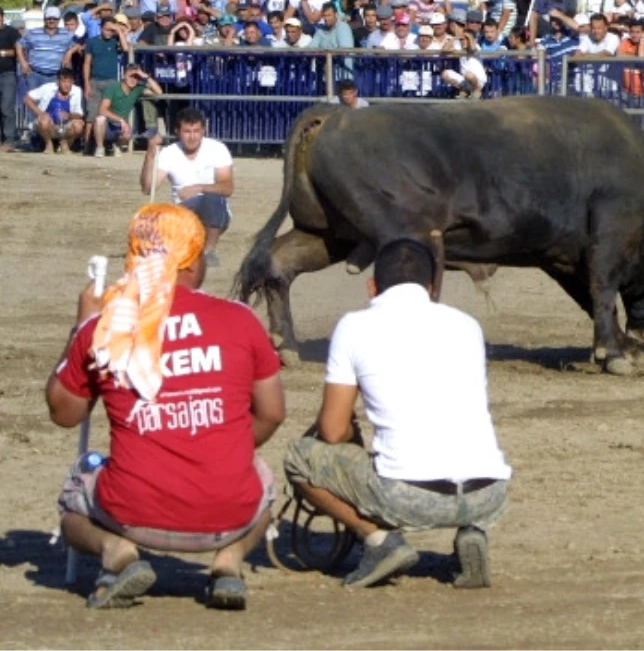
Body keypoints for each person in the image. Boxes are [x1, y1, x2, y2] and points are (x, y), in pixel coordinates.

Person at [48, 203, 286, 610]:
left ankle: (115, 551)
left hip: (130, 513)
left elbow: (65, 413)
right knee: (260, 475)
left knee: (75, 493)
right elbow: (272, 413)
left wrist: (81, 326)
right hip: (229, 516)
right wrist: (220, 443)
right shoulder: (241, 319)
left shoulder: (105, 325)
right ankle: (230, 559)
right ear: (191, 261)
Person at [284, 238, 511, 589]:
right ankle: (472, 531)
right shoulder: (468, 325)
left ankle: (379, 542)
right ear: (431, 288)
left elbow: (331, 431)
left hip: (412, 498)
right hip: (489, 492)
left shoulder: (353, 326)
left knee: (300, 458)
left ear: (372, 287)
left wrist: (350, 439)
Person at [140, 108, 234, 264]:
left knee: (212, 199)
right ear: (178, 132)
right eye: (187, 131)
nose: (192, 137)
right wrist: (150, 155)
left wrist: (198, 188)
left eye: (196, 131)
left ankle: (209, 251)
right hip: (183, 210)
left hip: (214, 210)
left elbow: (227, 188)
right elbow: (148, 188)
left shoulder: (217, 149)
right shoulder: (169, 153)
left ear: (204, 130)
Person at [96, 65, 162, 158]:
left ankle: (117, 145)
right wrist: (121, 120)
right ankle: (100, 147)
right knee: (100, 119)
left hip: (121, 127)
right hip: (109, 124)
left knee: (127, 134)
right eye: (131, 76)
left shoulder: (138, 89)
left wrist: (145, 76)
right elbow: (102, 110)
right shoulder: (113, 87)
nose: (133, 79)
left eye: (136, 77)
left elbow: (158, 92)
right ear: (124, 76)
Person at [24, 68, 85, 154]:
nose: (66, 85)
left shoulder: (77, 91)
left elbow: (80, 114)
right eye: (64, 82)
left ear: (73, 82)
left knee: (79, 125)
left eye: (69, 82)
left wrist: (69, 115)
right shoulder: (48, 88)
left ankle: (65, 144)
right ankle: (48, 144)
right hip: (50, 124)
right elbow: (27, 99)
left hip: (65, 126)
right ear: (58, 82)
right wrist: (41, 114)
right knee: (44, 121)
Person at [17, 6, 75, 91]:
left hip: (56, 77)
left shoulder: (67, 34)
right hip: (35, 75)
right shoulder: (33, 32)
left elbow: (80, 44)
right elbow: (19, 44)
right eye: (49, 18)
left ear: (59, 20)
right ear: (44, 19)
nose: (52, 21)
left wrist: (70, 52)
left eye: (54, 18)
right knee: (32, 103)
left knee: (52, 104)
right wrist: (23, 62)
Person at [0, 14, 22, 150]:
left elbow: (18, 51)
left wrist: (2, 53)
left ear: (2, 17)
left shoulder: (11, 32)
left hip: (8, 74)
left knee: (6, 108)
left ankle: (9, 140)